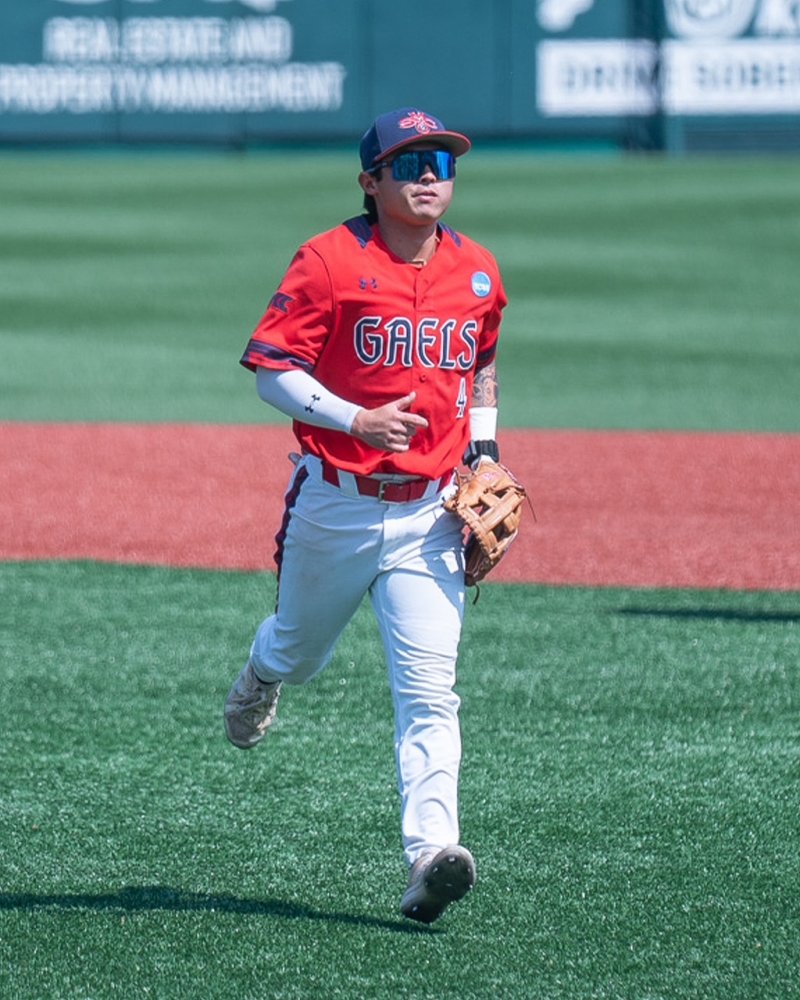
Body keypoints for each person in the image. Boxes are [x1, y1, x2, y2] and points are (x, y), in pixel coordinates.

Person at [224, 107, 507, 924]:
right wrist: (354, 418)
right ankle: (263, 671)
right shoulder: (328, 261)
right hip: (336, 503)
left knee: (430, 691)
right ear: (370, 182)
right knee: (301, 649)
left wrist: (484, 454)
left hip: (432, 514)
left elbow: (479, 368)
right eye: (409, 162)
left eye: (441, 163)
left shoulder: (479, 272)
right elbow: (271, 372)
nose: (429, 176)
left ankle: (432, 855)